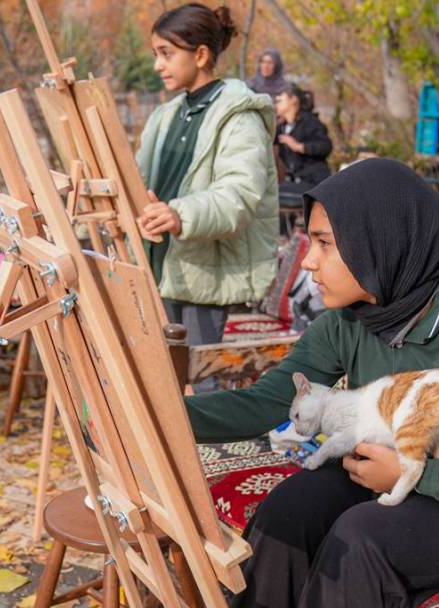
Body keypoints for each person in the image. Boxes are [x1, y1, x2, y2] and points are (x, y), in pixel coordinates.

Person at [185, 159, 439, 608]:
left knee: (360, 538)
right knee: (289, 511)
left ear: (379, 242)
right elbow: (269, 401)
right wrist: (156, 415)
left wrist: (415, 475)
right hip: (404, 481)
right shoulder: (351, 319)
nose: (308, 260)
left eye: (325, 244)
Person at [136, 2, 278, 391]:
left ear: (200, 55)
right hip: (159, 266)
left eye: (166, 54)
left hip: (205, 272)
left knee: (203, 384)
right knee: (162, 381)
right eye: (156, 55)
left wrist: (180, 215)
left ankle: (210, 453)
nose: (157, 66)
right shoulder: (165, 116)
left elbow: (238, 196)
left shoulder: (240, 115)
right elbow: (141, 180)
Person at [274, 84, 332, 209]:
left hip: (314, 183)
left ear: (293, 100)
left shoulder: (310, 122)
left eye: (279, 100)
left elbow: (326, 146)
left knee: (273, 195)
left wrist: (300, 147)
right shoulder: (281, 128)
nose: (276, 104)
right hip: (296, 181)